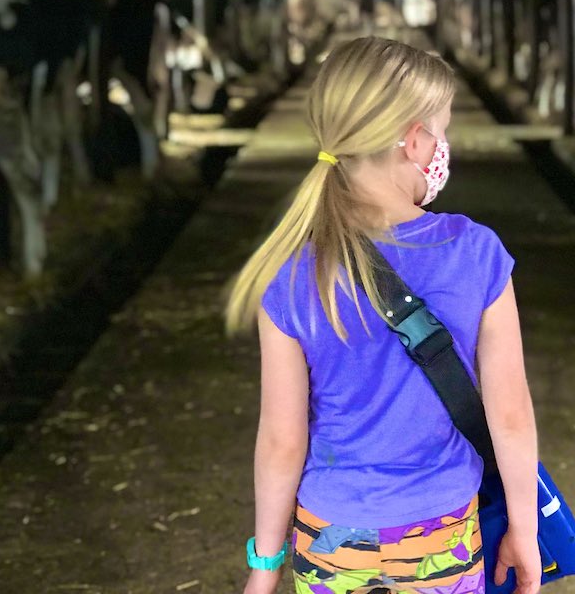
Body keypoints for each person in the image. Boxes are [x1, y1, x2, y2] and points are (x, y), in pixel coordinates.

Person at [224, 36, 540, 594]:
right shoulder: (476, 252)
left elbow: (281, 441)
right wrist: (524, 529)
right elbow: (509, 414)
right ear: (415, 140)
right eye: (441, 132)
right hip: (439, 534)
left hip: (331, 542)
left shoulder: (293, 273)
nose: (443, 147)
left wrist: (264, 567)